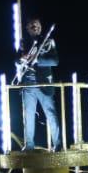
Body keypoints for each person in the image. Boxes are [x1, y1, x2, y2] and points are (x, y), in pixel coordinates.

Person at [16, 16, 60, 150]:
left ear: (40, 28)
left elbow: (55, 61)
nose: (35, 27)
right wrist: (21, 59)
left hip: (44, 84)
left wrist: (37, 60)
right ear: (27, 28)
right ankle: (29, 145)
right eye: (32, 26)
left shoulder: (48, 41)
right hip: (27, 84)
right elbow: (16, 60)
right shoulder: (23, 42)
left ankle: (57, 145)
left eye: (37, 25)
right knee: (28, 116)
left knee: (51, 114)